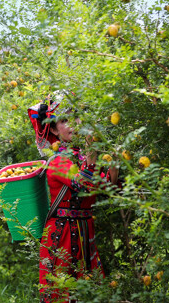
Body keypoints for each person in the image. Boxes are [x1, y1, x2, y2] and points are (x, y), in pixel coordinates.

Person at [28, 98, 119, 303]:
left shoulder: (82, 158)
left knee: (92, 292)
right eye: (65, 120)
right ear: (53, 131)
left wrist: (115, 167)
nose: (74, 124)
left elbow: (110, 189)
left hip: (86, 232)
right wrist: (92, 155)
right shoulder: (58, 161)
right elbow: (83, 185)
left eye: (76, 118)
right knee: (61, 293)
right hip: (61, 235)